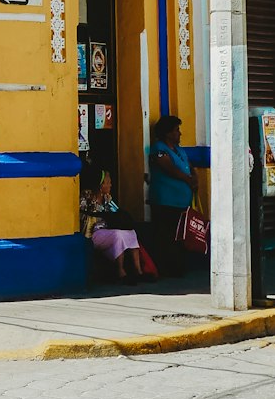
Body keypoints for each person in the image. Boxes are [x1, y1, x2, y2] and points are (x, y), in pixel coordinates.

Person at [148, 114, 199, 277]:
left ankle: (178, 266)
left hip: (182, 202)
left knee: (179, 235)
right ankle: (166, 268)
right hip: (166, 201)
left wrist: (195, 177)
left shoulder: (179, 151)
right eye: (176, 130)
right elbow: (169, 168)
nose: (179, 133)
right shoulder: (159, 149)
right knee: (165, 235)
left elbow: (189, 166)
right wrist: (188, 179)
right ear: (168, 133)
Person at [80, 167, 145, 283]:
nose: (110, 185)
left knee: (131, 233)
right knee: (117, 235)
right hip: (93, 233)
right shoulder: (87, 196)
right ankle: (120, 271)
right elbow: (82, 214)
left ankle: (138, 271)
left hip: (106, 231)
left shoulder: (107, 198)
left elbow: (117, 213)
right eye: (108, 183)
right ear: (101, 185)